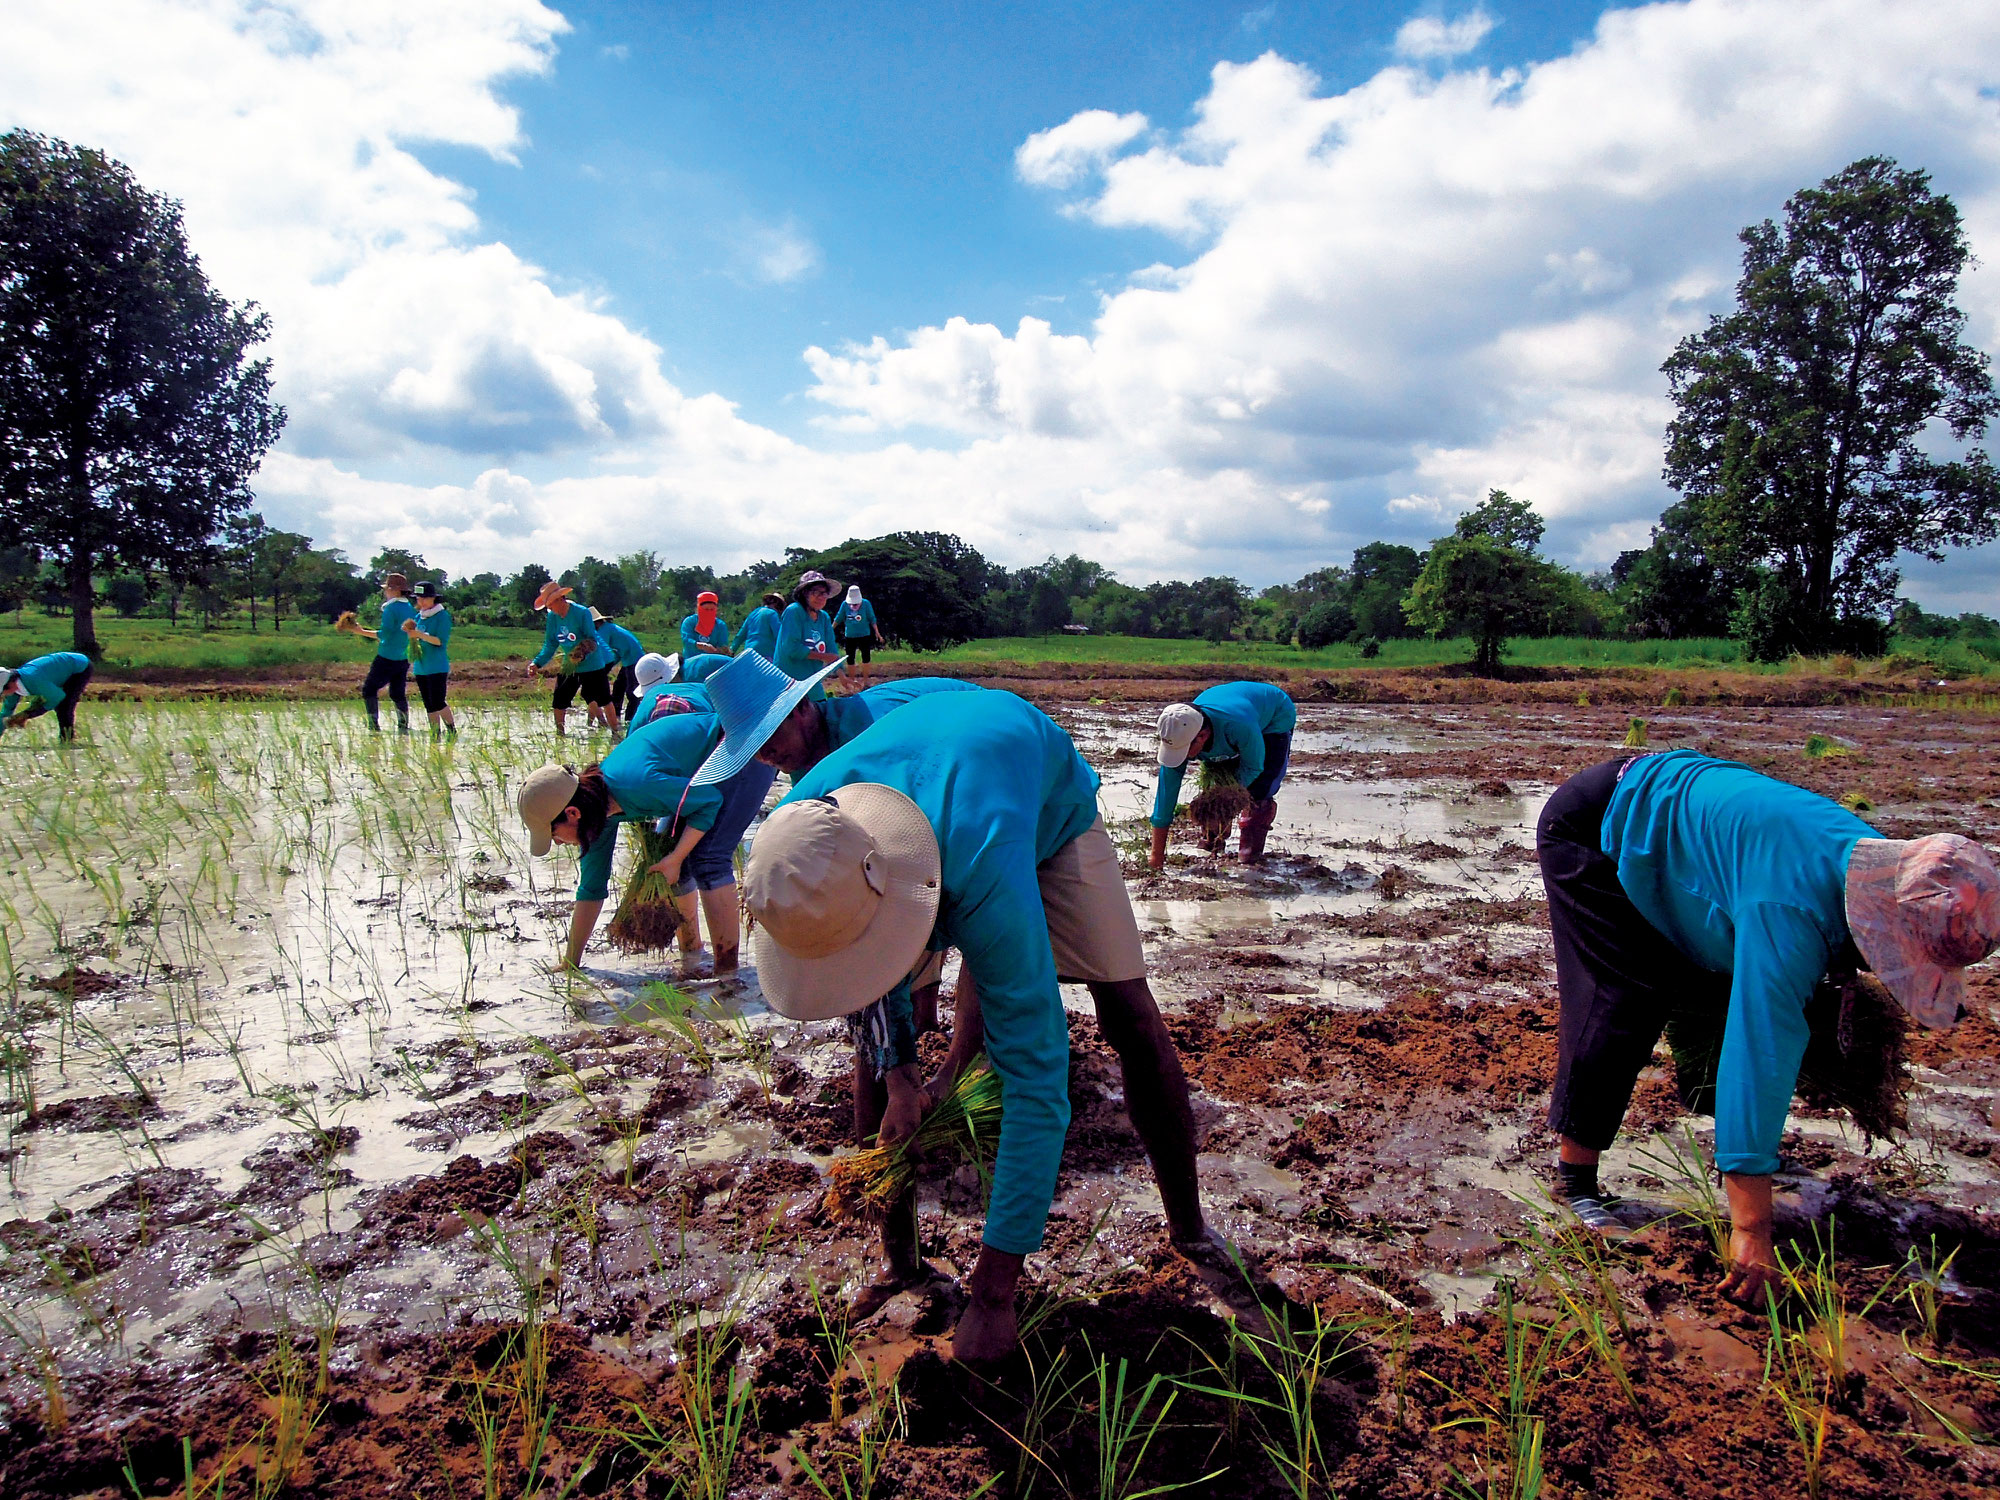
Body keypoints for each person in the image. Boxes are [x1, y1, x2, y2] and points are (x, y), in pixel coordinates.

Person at [740, 690, 1231, 1361]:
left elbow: (1036, 1075)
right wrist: (903, 1075)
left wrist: (995, 1296)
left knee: (1127, 1014)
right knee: (881, 1055)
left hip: (1041, 813)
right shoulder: (809, 825)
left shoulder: (986, 864)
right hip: (937, 803)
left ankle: (1191, 1228)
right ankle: (901, 1262)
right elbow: (865, 983)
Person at [1538, 747, 2000, 1305]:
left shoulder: (1888, 870)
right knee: (1624, 996)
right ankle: (1574, 1180)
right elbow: (1758, 1055)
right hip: (1597, 822)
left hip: (1690, 825)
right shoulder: (1792, 913)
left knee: (1724, 973)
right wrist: (1751, 1229)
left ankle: (1709, 1110)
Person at [517, 710, 777, 975]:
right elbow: (591, 889)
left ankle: (727, 975)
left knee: (707, 858)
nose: (559, 843)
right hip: (703, 771)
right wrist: (570, 963)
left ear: (573, 814)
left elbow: (708, 801)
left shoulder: (634, 784)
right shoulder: (599, 814)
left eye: (554, 835)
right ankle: (692, 955)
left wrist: (677, 858)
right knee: (667, 853)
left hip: (744, 750)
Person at [1147, 682, 1298, 868]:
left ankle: (1250, 852)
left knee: (1259, 788)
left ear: (1201, 736)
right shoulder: (1181, 730)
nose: (1183, 756)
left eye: (1186, 749)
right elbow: (1165, 798)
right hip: (1230, 717)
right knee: (1216, 781)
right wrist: (1156, 856)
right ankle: (1213, 837)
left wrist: (1226, 802)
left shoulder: (1239, 726)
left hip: (1274, 717)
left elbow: (1253, 768)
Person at [528, 581, 615, 736]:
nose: (549, 608)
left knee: (604, 699)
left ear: (560, 599)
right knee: (559, 700)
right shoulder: (552, 618)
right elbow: (551, 643)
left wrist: (580, 653)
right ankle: (560, 734)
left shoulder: (581, 613)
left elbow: (591, 638)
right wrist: (537, 662)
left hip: (592, 664)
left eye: (550, 604)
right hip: (570, 665)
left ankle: (616, 733)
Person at [350, 572, 419, 734]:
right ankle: (403, 726)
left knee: (369, 689)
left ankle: (373, 727)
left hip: (387, 657)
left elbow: (384, 634)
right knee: (397, 693)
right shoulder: (409, 608)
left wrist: (360, 631)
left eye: (387, 589)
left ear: (394, 590)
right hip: (403, 658)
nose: (385, 592)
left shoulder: (390, 609)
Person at [776, 570, 844, 701]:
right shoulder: (794, 612)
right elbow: (792, 648)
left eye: (824, 593)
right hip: (789, 682)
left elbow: (831, 648)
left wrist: (842, 676)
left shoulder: (824, 618)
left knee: (820, 712)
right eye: (815, 592)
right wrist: (824, 657)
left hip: (812, 681)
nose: (821, 597)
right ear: (804, 594)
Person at [0, 651, 93, 742]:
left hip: (79, 666)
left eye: (2, 692)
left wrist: (28, 714)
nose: (3, 694)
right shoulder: (12, 690)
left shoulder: (34, 680)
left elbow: (58, 697)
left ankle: (67, 739)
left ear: (11, 683)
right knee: (45, 699)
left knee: (64, 705)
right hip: (55, 672)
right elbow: (5, 714)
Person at [408, 580, 456, 738]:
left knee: (438, 701)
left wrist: (419, 635)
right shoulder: (418, 617)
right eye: (418, 599)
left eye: (424, 599)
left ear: (433, 599)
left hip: (437, 666)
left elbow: (440, 641)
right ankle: (435, 733)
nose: (420, 602)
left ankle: (451, 730)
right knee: (428, 704)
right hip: (421, 666)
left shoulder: (442, 616)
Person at [593, 609, 647, 727]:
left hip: (633, 660)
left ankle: (630, 719)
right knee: (618, 687)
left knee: (632, 691)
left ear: (595, 623)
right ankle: (616, 716)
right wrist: (607, 667)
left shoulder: (603, 630)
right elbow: (616, 653)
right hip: (628, 657)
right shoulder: (610, 627)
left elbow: (600, 649)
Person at [837, 584, 884, 686]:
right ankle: (852, 680)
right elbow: (838, 618)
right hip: (850, 635)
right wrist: (829, 630)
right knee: (850, 658)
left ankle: (866, 680)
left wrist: (877, 633)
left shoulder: (866, 604)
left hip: (864, 635)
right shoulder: (845, 605)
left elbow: (872, 619)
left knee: (866, 657)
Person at [680, 591, 731, 661]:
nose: (709, 612)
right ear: (699, 609)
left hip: (712, 662)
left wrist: (721, 650)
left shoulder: (720, 625)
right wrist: (703, 646)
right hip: (691, 662)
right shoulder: (689, 622)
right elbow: (687, 641)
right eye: (706, 609)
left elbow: (722, 644)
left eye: (712, 609)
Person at [738, 590, 785, 662]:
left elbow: (741, 634)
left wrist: (732, 650)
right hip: (766, 654)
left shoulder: (753, 613)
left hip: (749, 652)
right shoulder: (772, 614)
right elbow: (779, 635)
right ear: (777, 604)